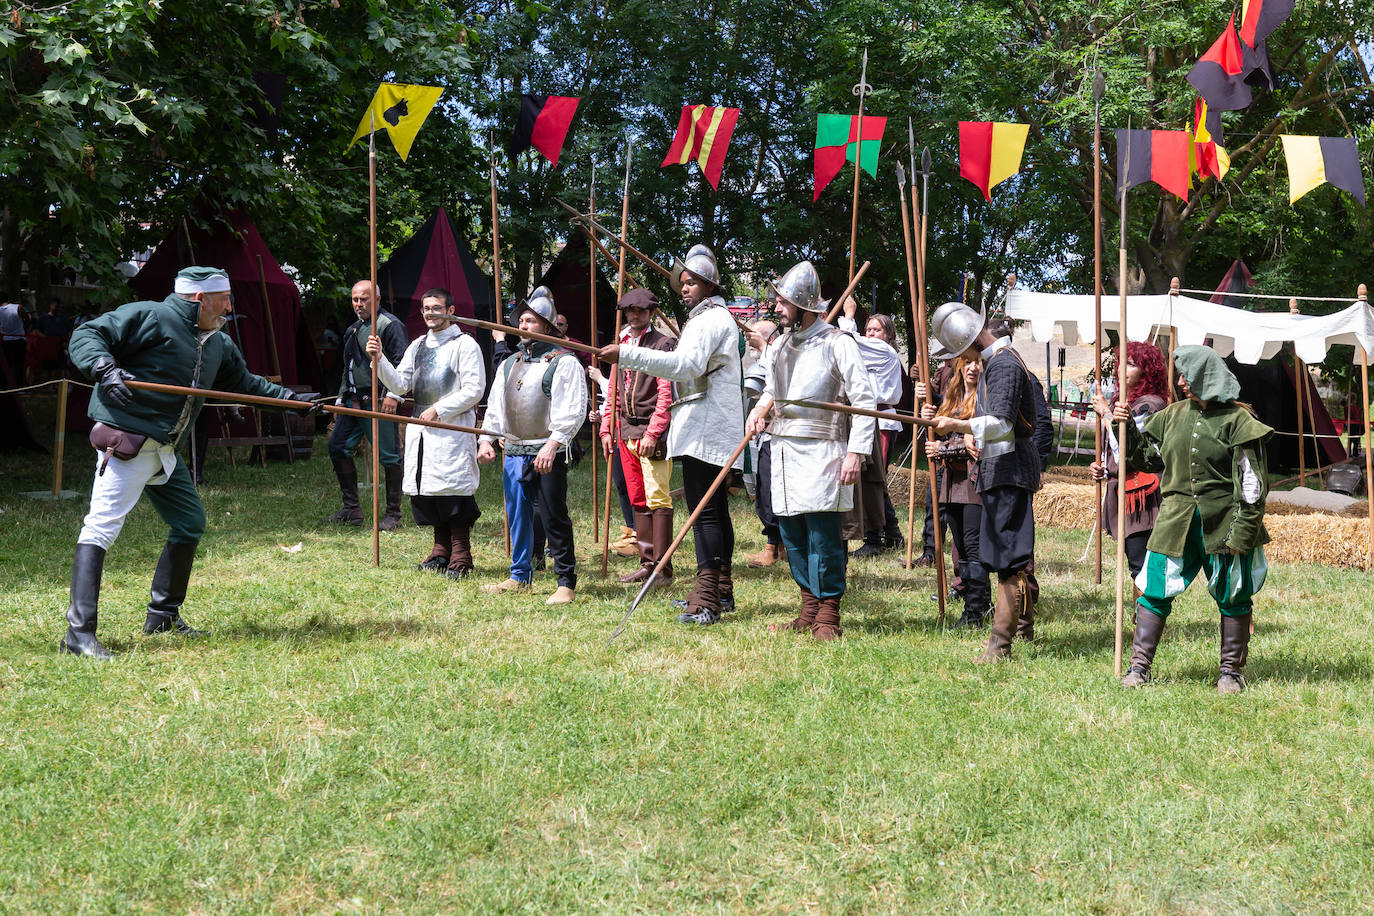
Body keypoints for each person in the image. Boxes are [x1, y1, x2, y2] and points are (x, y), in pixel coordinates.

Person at [60, 266, 315, 659]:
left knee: (189, 522)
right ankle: (78, 636)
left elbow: (245, 383)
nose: (230, 306)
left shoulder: (217, 341)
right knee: (100, 528)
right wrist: (104, 368)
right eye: (224, 299)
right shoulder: (149, 316)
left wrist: (292, 401)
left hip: (164, 450)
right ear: (200, 299)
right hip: (128, 444)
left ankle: (162, 616)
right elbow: (87, 334)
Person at [598, 244, 745, 625]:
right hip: (706, 426)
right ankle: (721, 589)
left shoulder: (711, 319)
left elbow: (685, 365)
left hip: (709, 426)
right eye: (683, 282)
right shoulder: (709, 318)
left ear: (710, 284)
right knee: (712, 511)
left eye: (692, 281)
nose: (685, 287)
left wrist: (627, 355)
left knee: (705, 514)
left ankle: (709, 596)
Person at [1117, 345, 1271, 693]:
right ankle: (1139, 668)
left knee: (1233, 596)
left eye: (1188, 376)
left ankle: (1230, 673)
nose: (1182, 382)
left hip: (1224, 523)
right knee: (1154, 589)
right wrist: (1122, 427)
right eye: (1180, 375)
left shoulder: (1238, 421)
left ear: (1206, 377)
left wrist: (1242, 535)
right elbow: (1147, 460)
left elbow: (1252, 485)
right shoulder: (1172, 415)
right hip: (1175, 522)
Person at [745, 261, 875, 640]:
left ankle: (828, 614)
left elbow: (864, 400)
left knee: (822, 535)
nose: (777, 308)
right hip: (783, 449)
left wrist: (856, 452)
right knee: (792, 532)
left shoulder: (838, 343)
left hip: (824, 452)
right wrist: (759, 408)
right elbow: (773, 386)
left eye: (783, 302)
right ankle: (808, 608)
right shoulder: (782, 344)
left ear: (803, 305)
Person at [930, 303, 1046, 662]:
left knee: (1009, 559)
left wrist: (958, 426)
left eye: (961, 350)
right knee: (1003, 556)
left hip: (1010, 471)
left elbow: (1002, 423)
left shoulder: (1005, 364)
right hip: (1000, 470)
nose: (962, 359)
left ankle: (1000, 646)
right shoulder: (998, 362)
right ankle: (1011, 635)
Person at [478, 287, 587, 605]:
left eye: (531, 321)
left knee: (553, 515)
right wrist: (487, 440)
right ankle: (519, 575)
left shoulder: (564, 363)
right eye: (521, 320)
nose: (523, 326)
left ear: (548, 326)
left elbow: (573, 411)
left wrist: (553, 445)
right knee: (517, 514)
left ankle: (565, 582)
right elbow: (497, 406)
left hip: (546, 451)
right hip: (513, 449)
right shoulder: (509, 364)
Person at [368, 288, 486, 579]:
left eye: (436, 308)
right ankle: (440, 550)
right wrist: (379, 358)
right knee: (429, 490)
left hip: (451, 428)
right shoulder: (418, 344)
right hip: (422, 428)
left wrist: (440, 409)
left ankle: (461, 554)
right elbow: (399, 385)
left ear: (451, 309)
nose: (430, 313)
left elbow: (474, 389)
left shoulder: (465, 345)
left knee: (453, 490)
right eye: (426, 308)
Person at [600, 288, 677, 585]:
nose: (634, 316)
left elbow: (666, 393)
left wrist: (654, 432)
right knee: (638, 498)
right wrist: (607, 427)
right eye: (629, 311)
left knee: (658, 498)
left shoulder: (662, 345)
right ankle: (647, 563)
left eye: (640, 311)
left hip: (650, 432)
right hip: (625, 430)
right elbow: (613, 391)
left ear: (651, 313)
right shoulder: (621, 343)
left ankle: (662, 569)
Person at [325, 280, 408, 529]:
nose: (358, 304)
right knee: (337, 446)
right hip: (353, 402)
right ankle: (352, 510)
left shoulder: (390, 326)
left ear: (377, 300)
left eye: (364, 299)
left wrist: (394, 395)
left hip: (380, 401)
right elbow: (347, 368)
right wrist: (341, 400)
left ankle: (393, 514)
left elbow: (403, 364)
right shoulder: (352, 329)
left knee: (389, 456)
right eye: (355, 299)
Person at [1090, 341, 1171, 580]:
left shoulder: (1150, 405)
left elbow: (1132, 448)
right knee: (1137, 565)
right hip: (1123, 490)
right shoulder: (1129, 402)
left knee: (1142, 567)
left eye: (1132, 364)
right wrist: (1103, 470)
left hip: (1141, 495)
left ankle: (1148, 617)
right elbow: (1115, 453)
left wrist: (1106, 413)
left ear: (1147, 371)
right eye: (1121, 363)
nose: (1122, 369)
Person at [922, 356, 988, 628]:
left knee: (972, 547)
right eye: (968, 362)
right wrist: (929, 414)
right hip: (951, 481)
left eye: (978, 362)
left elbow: (977, 445)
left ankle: (977, 610)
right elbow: (943, 430)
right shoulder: (954, 396)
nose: (973, 367)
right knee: (961, 547)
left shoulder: (986, 397)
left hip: (974, 483)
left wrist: (943, 449)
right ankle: (976, 604)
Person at [837, 299, 906, 557]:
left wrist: (848, 314)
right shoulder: (872, 352)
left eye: (876, 330)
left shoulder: (884, 351)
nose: (871, 334)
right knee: (873, 478)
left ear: (888, 335)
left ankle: (876, 538)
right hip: (866, 417)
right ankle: (892, 533)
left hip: (880, 418)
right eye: (869, 330)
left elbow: (848, 341)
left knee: (874, 478)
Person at [743, 318, 784, 568]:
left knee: (771, 491)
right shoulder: (764, 356)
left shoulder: (778, 348)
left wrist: (764, 345)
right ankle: (776, 545)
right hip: (767, 431)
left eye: (753, 336)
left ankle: (773, 547)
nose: (749, 340)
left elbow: (777, 377)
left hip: (783, 431)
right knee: (765, 490)